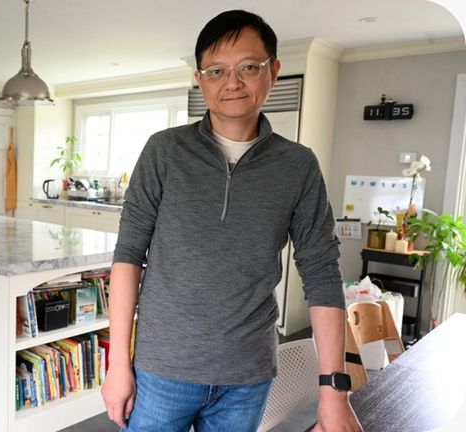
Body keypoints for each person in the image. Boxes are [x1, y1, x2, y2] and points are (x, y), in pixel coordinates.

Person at [101, 9, 362, 432]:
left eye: (248, 67)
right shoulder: (164, 152)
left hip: (248, 375)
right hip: (162, 368)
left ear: (273, 71)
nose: (232, 82)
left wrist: (334, 392)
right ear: (200, 78)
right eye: (217, 70)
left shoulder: (298, 166)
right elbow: (128, 256)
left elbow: (323, 275)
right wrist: (117, 365)